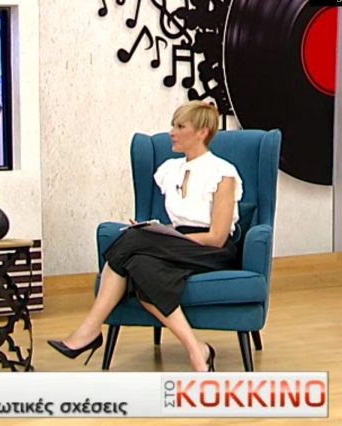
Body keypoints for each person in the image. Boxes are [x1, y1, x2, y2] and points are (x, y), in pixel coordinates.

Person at [48, 101, 242, 372]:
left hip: (212, 250)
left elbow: (217, 237)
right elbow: (179, 224)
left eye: (180, 126)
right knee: (140, 263)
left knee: (132, 239)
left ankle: (89, 330)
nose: (172, 132)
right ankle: (198, 351)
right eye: (173, 125)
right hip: (177, 243)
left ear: (202, 132)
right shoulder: (170, 169)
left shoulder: (223, 173)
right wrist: (159, 233)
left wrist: (163, 240)